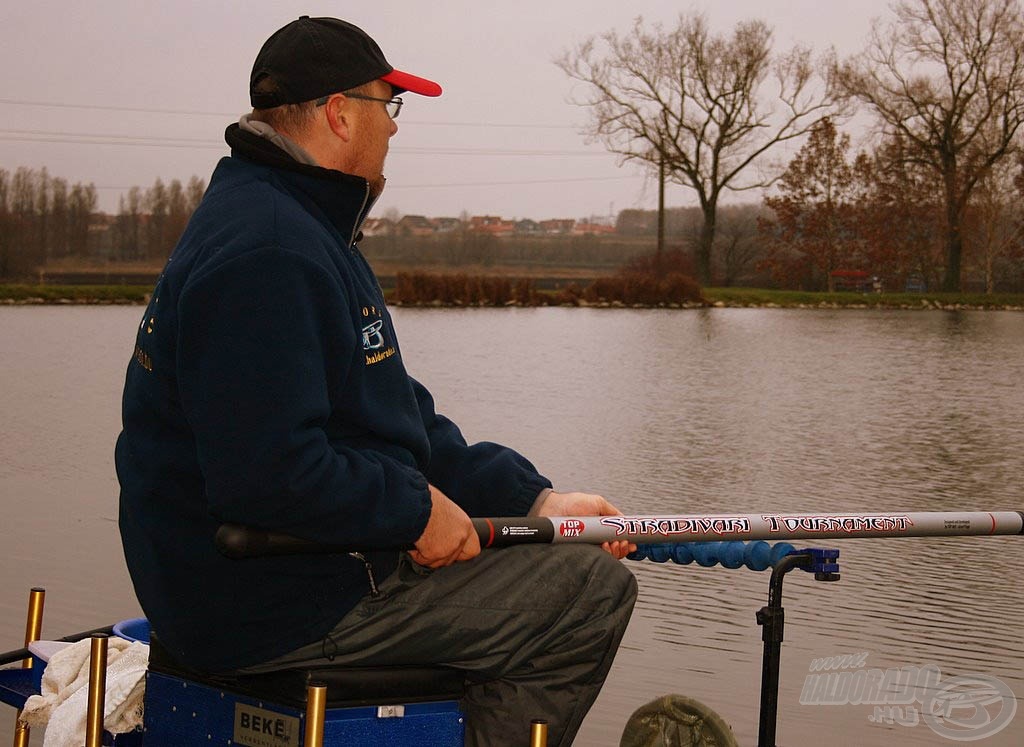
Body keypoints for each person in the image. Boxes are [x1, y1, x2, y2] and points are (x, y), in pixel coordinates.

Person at [116, 15, 637, 746]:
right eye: (388, 107)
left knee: (556, 552)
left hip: (286, 579)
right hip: (264, 606)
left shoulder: (298, 226)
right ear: (338, 113)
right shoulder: (269, 252)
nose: (395, 130)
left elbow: (396, 419)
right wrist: (415, 511)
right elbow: (268, 473)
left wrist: (537, 500)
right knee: (590, 591)